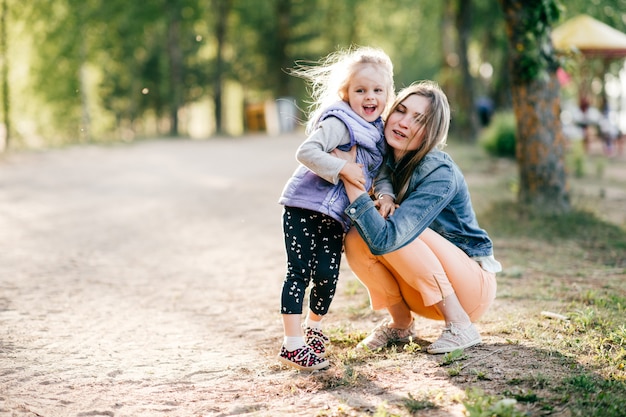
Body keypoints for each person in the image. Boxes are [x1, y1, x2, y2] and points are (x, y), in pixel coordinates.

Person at [336, 81, 501, 354]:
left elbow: (390, 237)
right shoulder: (381, 160)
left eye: (419, 119)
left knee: (394, 227)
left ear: (431, 132)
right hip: (424, 294)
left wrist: (350, 178)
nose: (403, 122)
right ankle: (400, 325)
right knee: (356, 236)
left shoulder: (439, 171)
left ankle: (460, 325)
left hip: (470, 289)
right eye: (400, 111)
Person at [277, 46, 396, 370]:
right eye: (360, 90)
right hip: (304, 206)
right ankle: (292, 343)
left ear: (387, 94)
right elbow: (307, 151)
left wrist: (385, 196)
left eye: (377, 90)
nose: (369, 97)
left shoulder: (380, 133)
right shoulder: (340, 121)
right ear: (346, 93)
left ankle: (313, 327)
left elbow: (382, 173)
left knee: (327, 276)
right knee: (299, 272)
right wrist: (341, 168)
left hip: (336, 218)